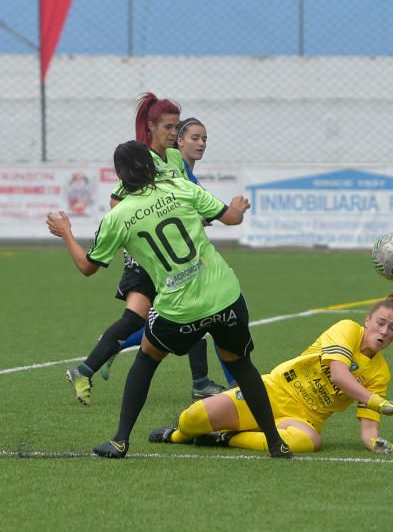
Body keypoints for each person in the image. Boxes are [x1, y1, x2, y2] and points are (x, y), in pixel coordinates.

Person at [46, 140, 292, 460]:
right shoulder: (180, 187)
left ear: (120, 176)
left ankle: (120, 440)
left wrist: (65, 231)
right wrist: (236, 209)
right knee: (241, 364)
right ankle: (276, 442)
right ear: (150, 165)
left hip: (179, 308)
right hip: (224, 295)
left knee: (147, 359)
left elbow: (87, 267)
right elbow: (228, 216)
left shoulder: (117, 217)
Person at [65, 94, 225, 406]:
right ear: (150, 127)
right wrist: (154, 219)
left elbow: (188, 193)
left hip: (170, 250)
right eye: (171, 127)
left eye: (179, 128)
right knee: (196, 308)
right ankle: (203, 382)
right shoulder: (141, 158)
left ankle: (88, 366)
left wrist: (194, 214)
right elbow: (116, 201)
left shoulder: (175, 159)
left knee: (138, 317)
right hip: (150, 252)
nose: (175, 133)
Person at [148, 293, 393, 455]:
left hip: (305, 419)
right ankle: (177, 436)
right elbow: (339, 374)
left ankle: (225, 438)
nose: (385, 331)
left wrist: (375, 443)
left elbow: (368, 427)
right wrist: (382, 403)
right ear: (367, 321)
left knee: (308, 442)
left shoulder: (380, 373)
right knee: (193, 417)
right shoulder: (348, 329)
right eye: (381, 323)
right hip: (272, 391)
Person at [111, 116, 236, 388]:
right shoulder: (162, 164)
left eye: (204, 139)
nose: (201, 143)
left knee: (189, 324)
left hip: (185, 260)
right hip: (166, 262)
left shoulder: (183, 171)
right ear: (179, 140)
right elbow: (118, 198)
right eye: (194, 138)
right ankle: (219, 385)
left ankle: (113, 344)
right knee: (203, 320)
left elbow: (199, 205)